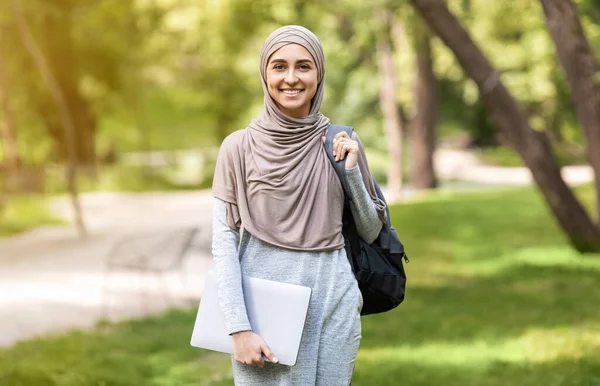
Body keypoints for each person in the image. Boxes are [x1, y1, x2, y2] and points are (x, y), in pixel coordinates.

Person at [211, 25, 387, 386]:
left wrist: (351, 172)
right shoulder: (238, 148)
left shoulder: (341, 141)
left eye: (303, 66)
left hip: (333, 300)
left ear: (318, 74)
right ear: (265, 73)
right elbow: (223, 244)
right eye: (279, 66)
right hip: (264, 307)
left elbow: (370, 231)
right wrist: (238, 328)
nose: (291, 78)